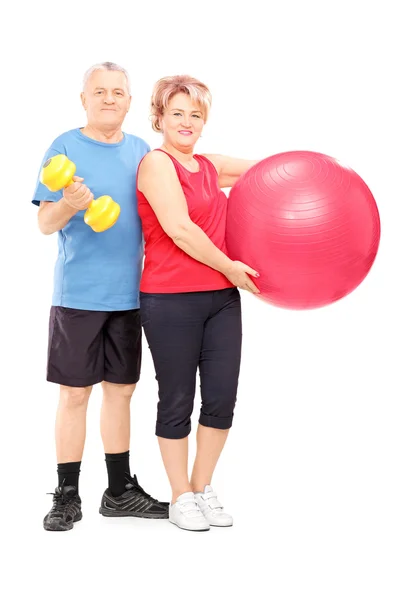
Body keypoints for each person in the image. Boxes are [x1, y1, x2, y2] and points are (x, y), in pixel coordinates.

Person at [32, 62, 168, 532]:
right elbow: (44, 223)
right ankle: (67, 495)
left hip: (131, 295)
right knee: (75, 394)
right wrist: (69, 203)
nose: (109, 99)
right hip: (80, 295)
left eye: (118, 92)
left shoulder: (142, 152)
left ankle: (118, 491)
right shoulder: (64, 148)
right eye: (100, 91)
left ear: (130, 101)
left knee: (123, 391)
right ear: (84, 99)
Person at [137, 75, 260, 532]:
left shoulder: (209, 165)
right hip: (169, 300)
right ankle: (179, 496)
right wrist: (231, 266)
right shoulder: (156, 164)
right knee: (176, 401)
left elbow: (272, 170)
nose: (186, 122)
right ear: (160, 119)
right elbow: (181, 230)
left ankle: (202, 486)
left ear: (204, 121)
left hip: (223, 300)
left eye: (195, 114)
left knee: (222, 399)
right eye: (177, 114)